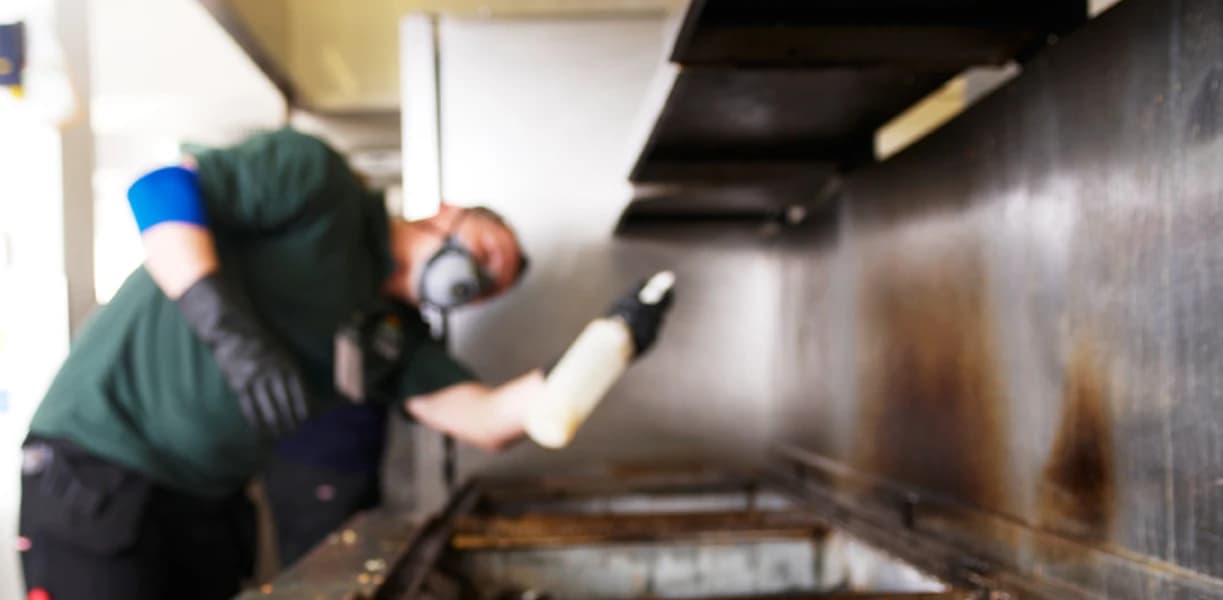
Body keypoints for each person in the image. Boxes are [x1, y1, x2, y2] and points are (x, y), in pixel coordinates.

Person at [18, 128, 672, 600]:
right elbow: (160, 188)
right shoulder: (318, 185)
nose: (475, 279)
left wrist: (609, 344)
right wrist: (230, 331)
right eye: (483, 251)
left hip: (205, 502)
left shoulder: (393, 338)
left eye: (489, 286)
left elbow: (486, 421)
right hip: (98, 467)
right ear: (445, 214)